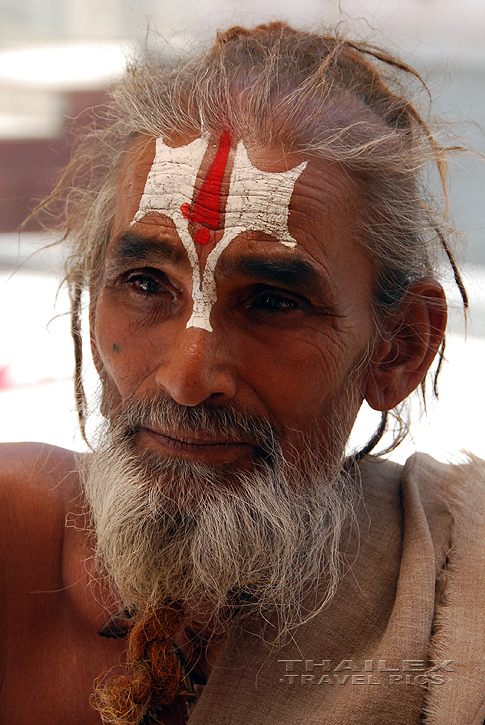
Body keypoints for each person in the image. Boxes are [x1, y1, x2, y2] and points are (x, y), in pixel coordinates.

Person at [1, 21, 484, 725]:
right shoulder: (14, 540)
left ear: (398, 348)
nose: (187, 378)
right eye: (143, 283)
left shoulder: (461, 584)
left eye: (272, 300)